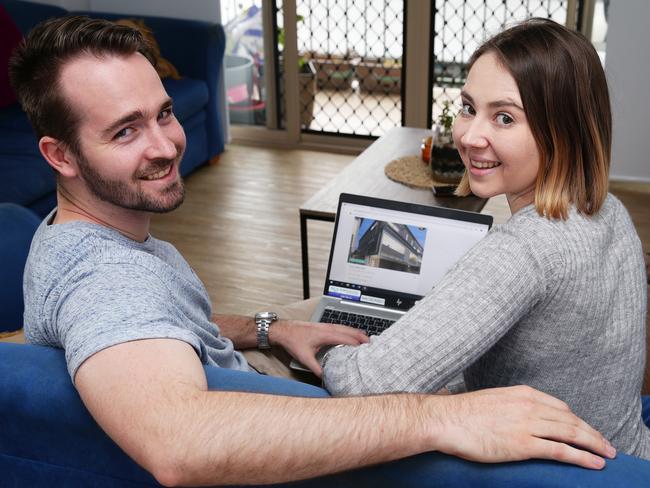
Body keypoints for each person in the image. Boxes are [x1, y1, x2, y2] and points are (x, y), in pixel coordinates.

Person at [10, 15, 616, 486]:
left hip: (261, 377)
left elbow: (161, 323)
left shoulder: (78, 236)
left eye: (163, 112)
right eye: (125, 130)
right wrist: (440, 416)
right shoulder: (104, 278)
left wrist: (269, 329)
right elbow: (177, 443)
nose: (167, 144)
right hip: (287, 439)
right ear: (59, 155)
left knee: (343, 309)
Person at [322, 18, 650, 460]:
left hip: (546, 475)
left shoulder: (526, 249)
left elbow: (360, 386)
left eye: (504, 117)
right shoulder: (610, 209)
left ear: (564, 129)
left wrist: (328, 350)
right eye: (468, 107)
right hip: (628, 457)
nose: (470, 136)